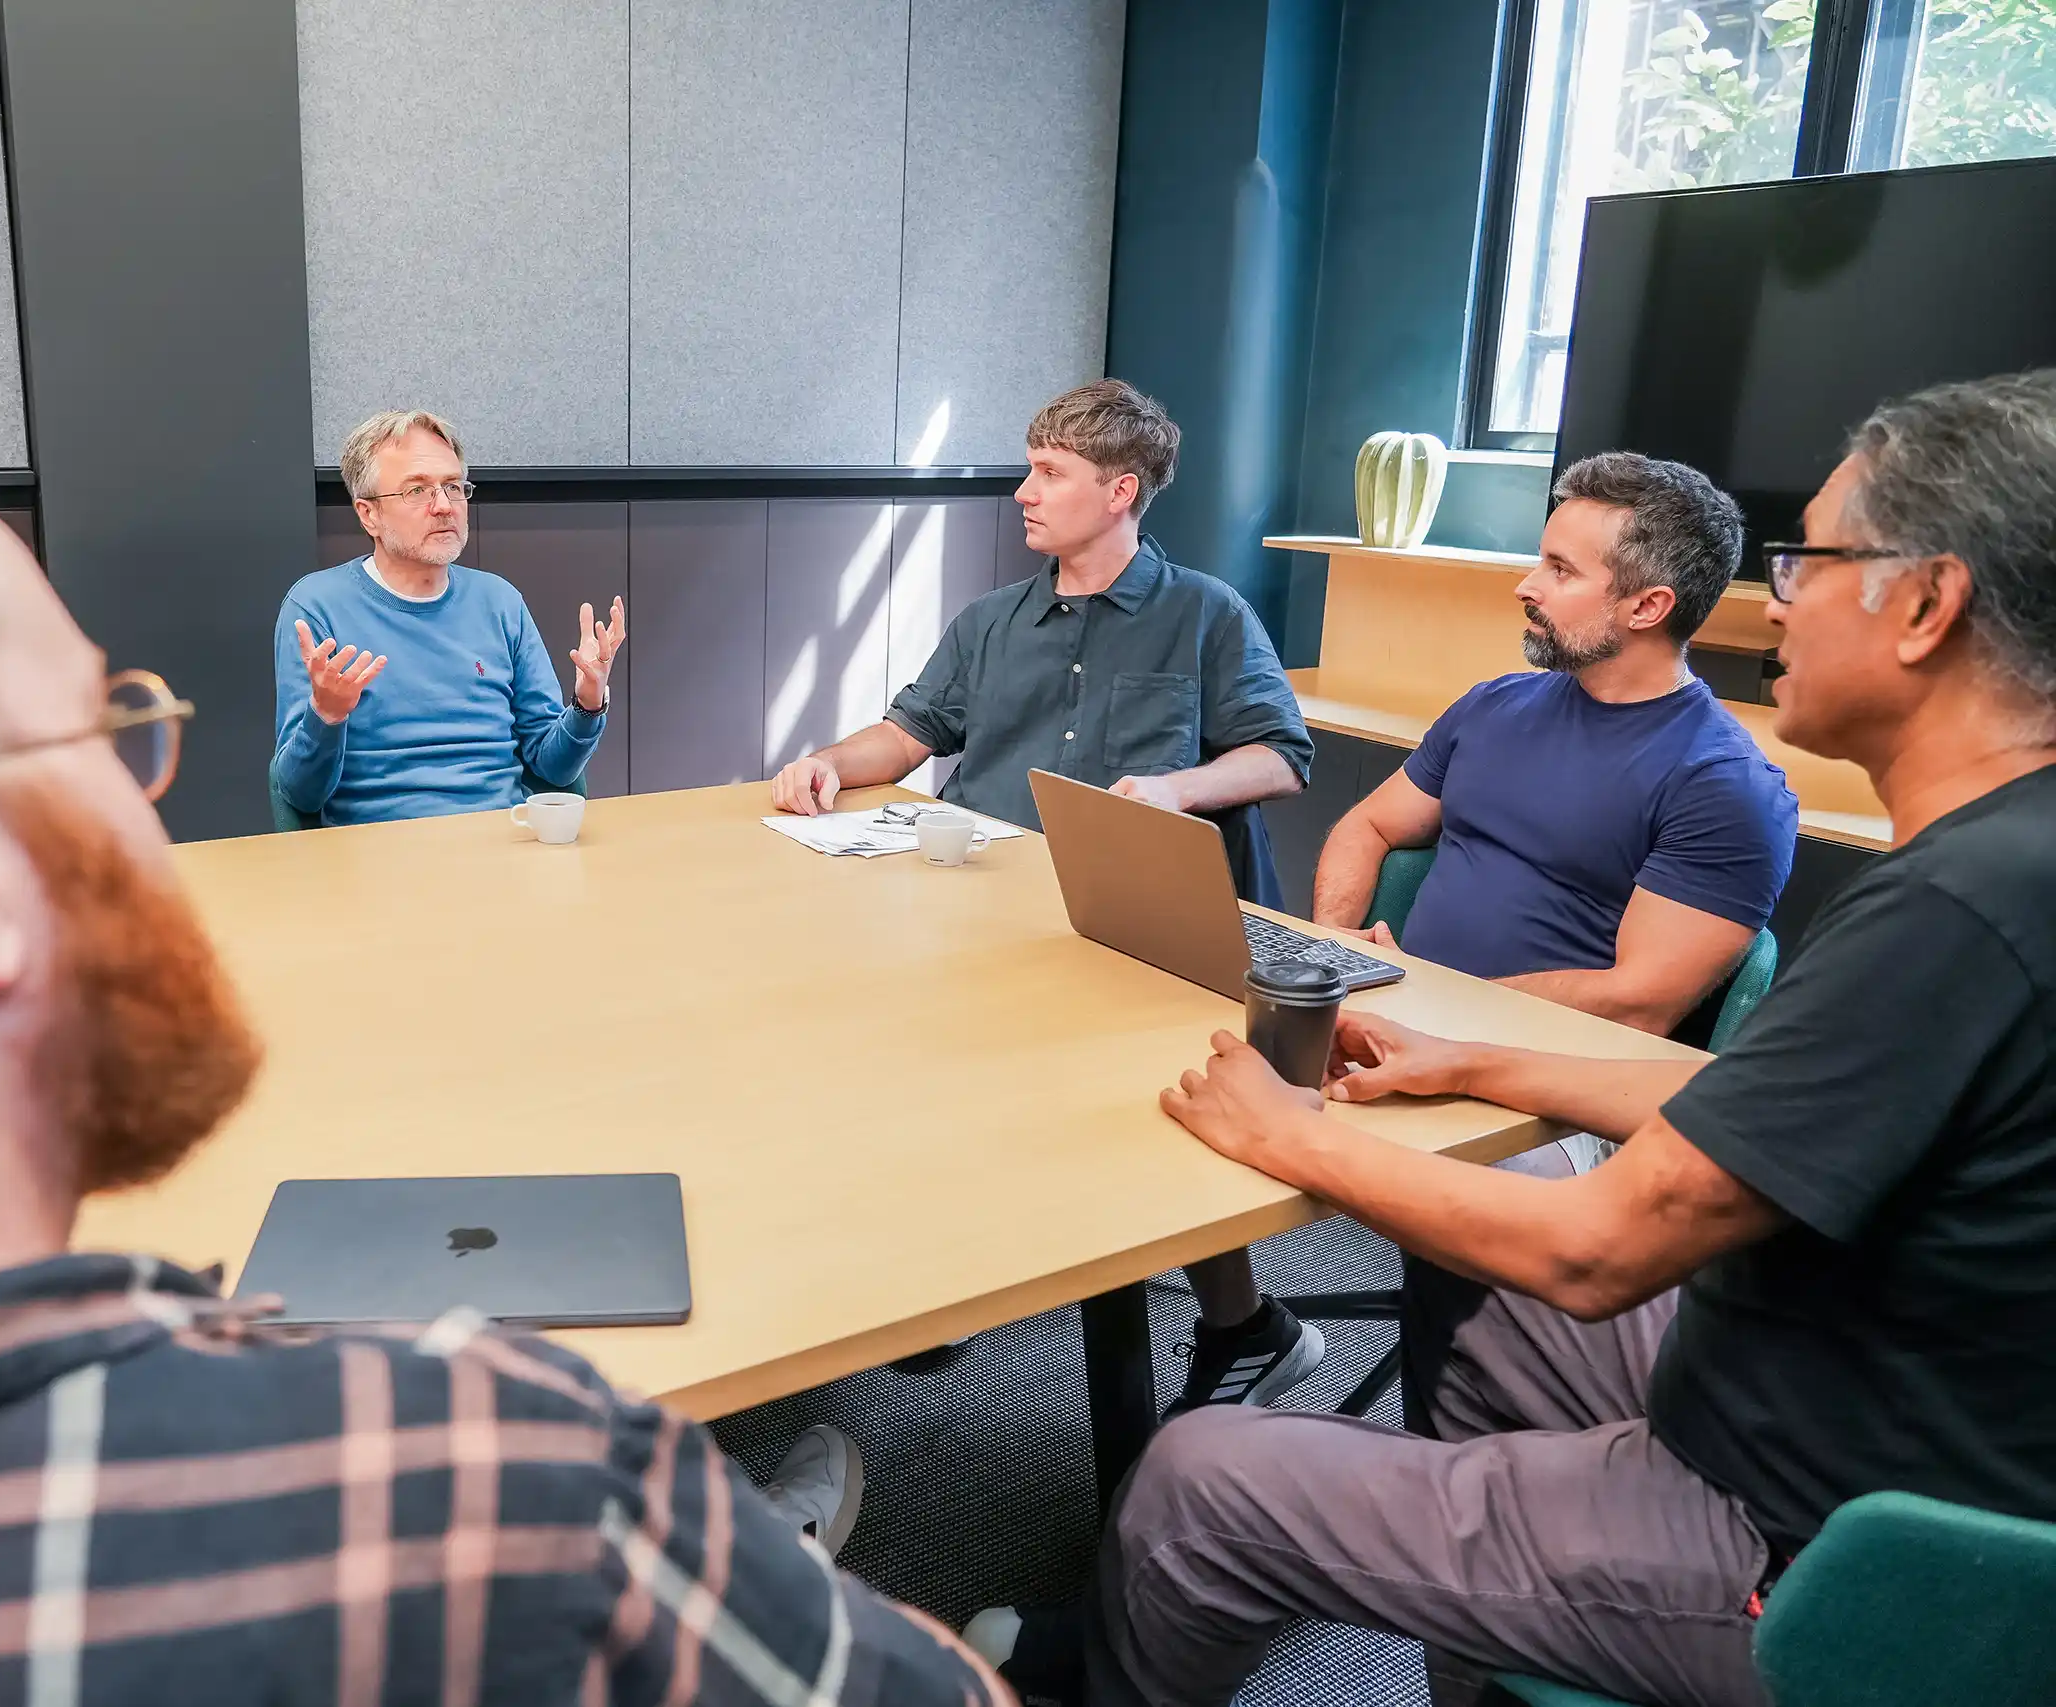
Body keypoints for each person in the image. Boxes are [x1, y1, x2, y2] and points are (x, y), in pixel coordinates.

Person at [0, 424, 1004, 1704]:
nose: (144, 787)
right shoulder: (494, 1472)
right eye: (100, 725)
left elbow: (548, 755)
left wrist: (584, 705)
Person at [979, 369, 2056, 1707]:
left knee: (1201, 1476)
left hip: (1819, 1546)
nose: (1777, 596)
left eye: (1810, 557)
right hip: (1829, 1383)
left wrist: (1287, 1134)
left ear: (1930, 603)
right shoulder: (2004, 864)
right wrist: (1475, 1059)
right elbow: (1741, 1089)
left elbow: (1597, 1249)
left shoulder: (1952, 903)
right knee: (1485, 1321)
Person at [770, 380, 1323, 1416]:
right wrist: (832, 762)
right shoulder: (992, 621)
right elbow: (911, 732)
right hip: (985, 909)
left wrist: (1173, 786)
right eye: (1029, 467)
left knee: (1162, 1102)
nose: (1023, 493)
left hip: (1132, 928)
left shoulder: (1204, 613)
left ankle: (1247, 1324)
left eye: (1048, 473)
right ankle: (960, 1272)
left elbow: (1280, 757)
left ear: (1119, 491)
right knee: (919, 1064)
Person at [1313, 453, 1798, 1038]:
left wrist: (1436, 1005)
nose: (1527, 585)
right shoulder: (1494, 705)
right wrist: (1334, 950)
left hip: (1548, 1084)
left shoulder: (1725, 786)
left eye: (1561, 570)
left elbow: (1639, 1004)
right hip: (1398, 1021)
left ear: (1647, 607)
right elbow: (1369, 826)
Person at [272, 408, 628, 826]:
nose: (444, 506)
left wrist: (588, 703)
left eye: (453, 487)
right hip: (376, 860)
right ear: (369, 514)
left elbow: (554, 770)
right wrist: (326, 715)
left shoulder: (499, 601)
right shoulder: (316, 607)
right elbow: (299, 794)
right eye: (417, 491)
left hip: (502, 843)